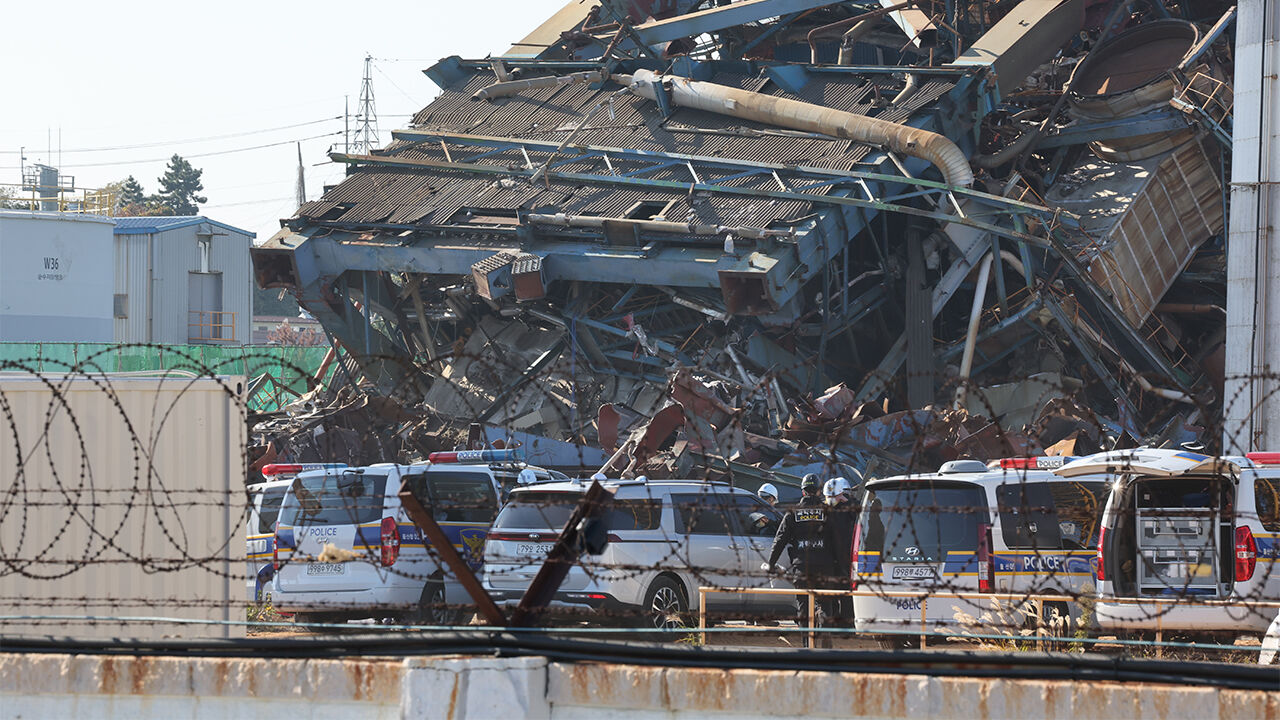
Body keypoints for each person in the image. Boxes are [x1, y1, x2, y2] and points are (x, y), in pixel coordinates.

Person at [763, 474, 836, 647]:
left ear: (803, 491)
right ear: (818, 491)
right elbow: (838, 539)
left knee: (803, 604)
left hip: (802, 566)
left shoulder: (792, 513)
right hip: (825, 566)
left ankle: (807, 643)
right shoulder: (828, 512)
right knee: (825, 602)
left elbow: (779, 540)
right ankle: (825, 629)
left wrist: (771, 564)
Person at [823, 477, 857, 629]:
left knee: (846, 594)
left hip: (846, 557)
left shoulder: (850, 508)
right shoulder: (825, 510)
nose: (829, 500)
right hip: (830, 557)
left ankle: (847, 625)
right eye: (828, 497)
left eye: (833, 497)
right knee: (832, 592)